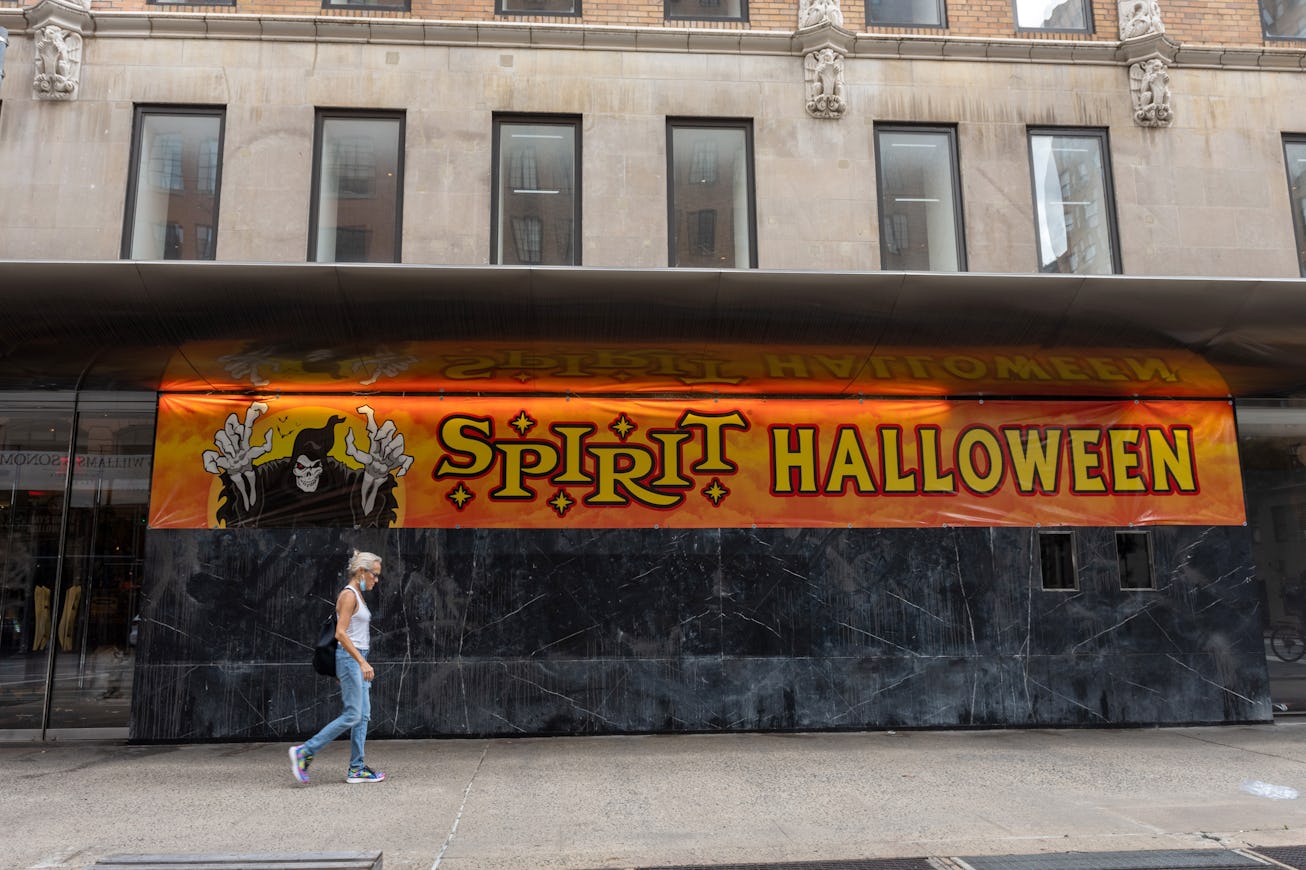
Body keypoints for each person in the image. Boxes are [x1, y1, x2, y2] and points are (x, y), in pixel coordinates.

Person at [289, 550, 387, 784]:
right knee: (353, 714)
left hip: (355, 657)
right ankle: (305, 752)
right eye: (374, 574)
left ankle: (357, 768)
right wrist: (360, 662)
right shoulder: (349, 595)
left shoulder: (358, 596)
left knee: (362, 716)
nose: (376, 579)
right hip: (352, 658)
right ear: (361, 571)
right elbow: (340, 633)